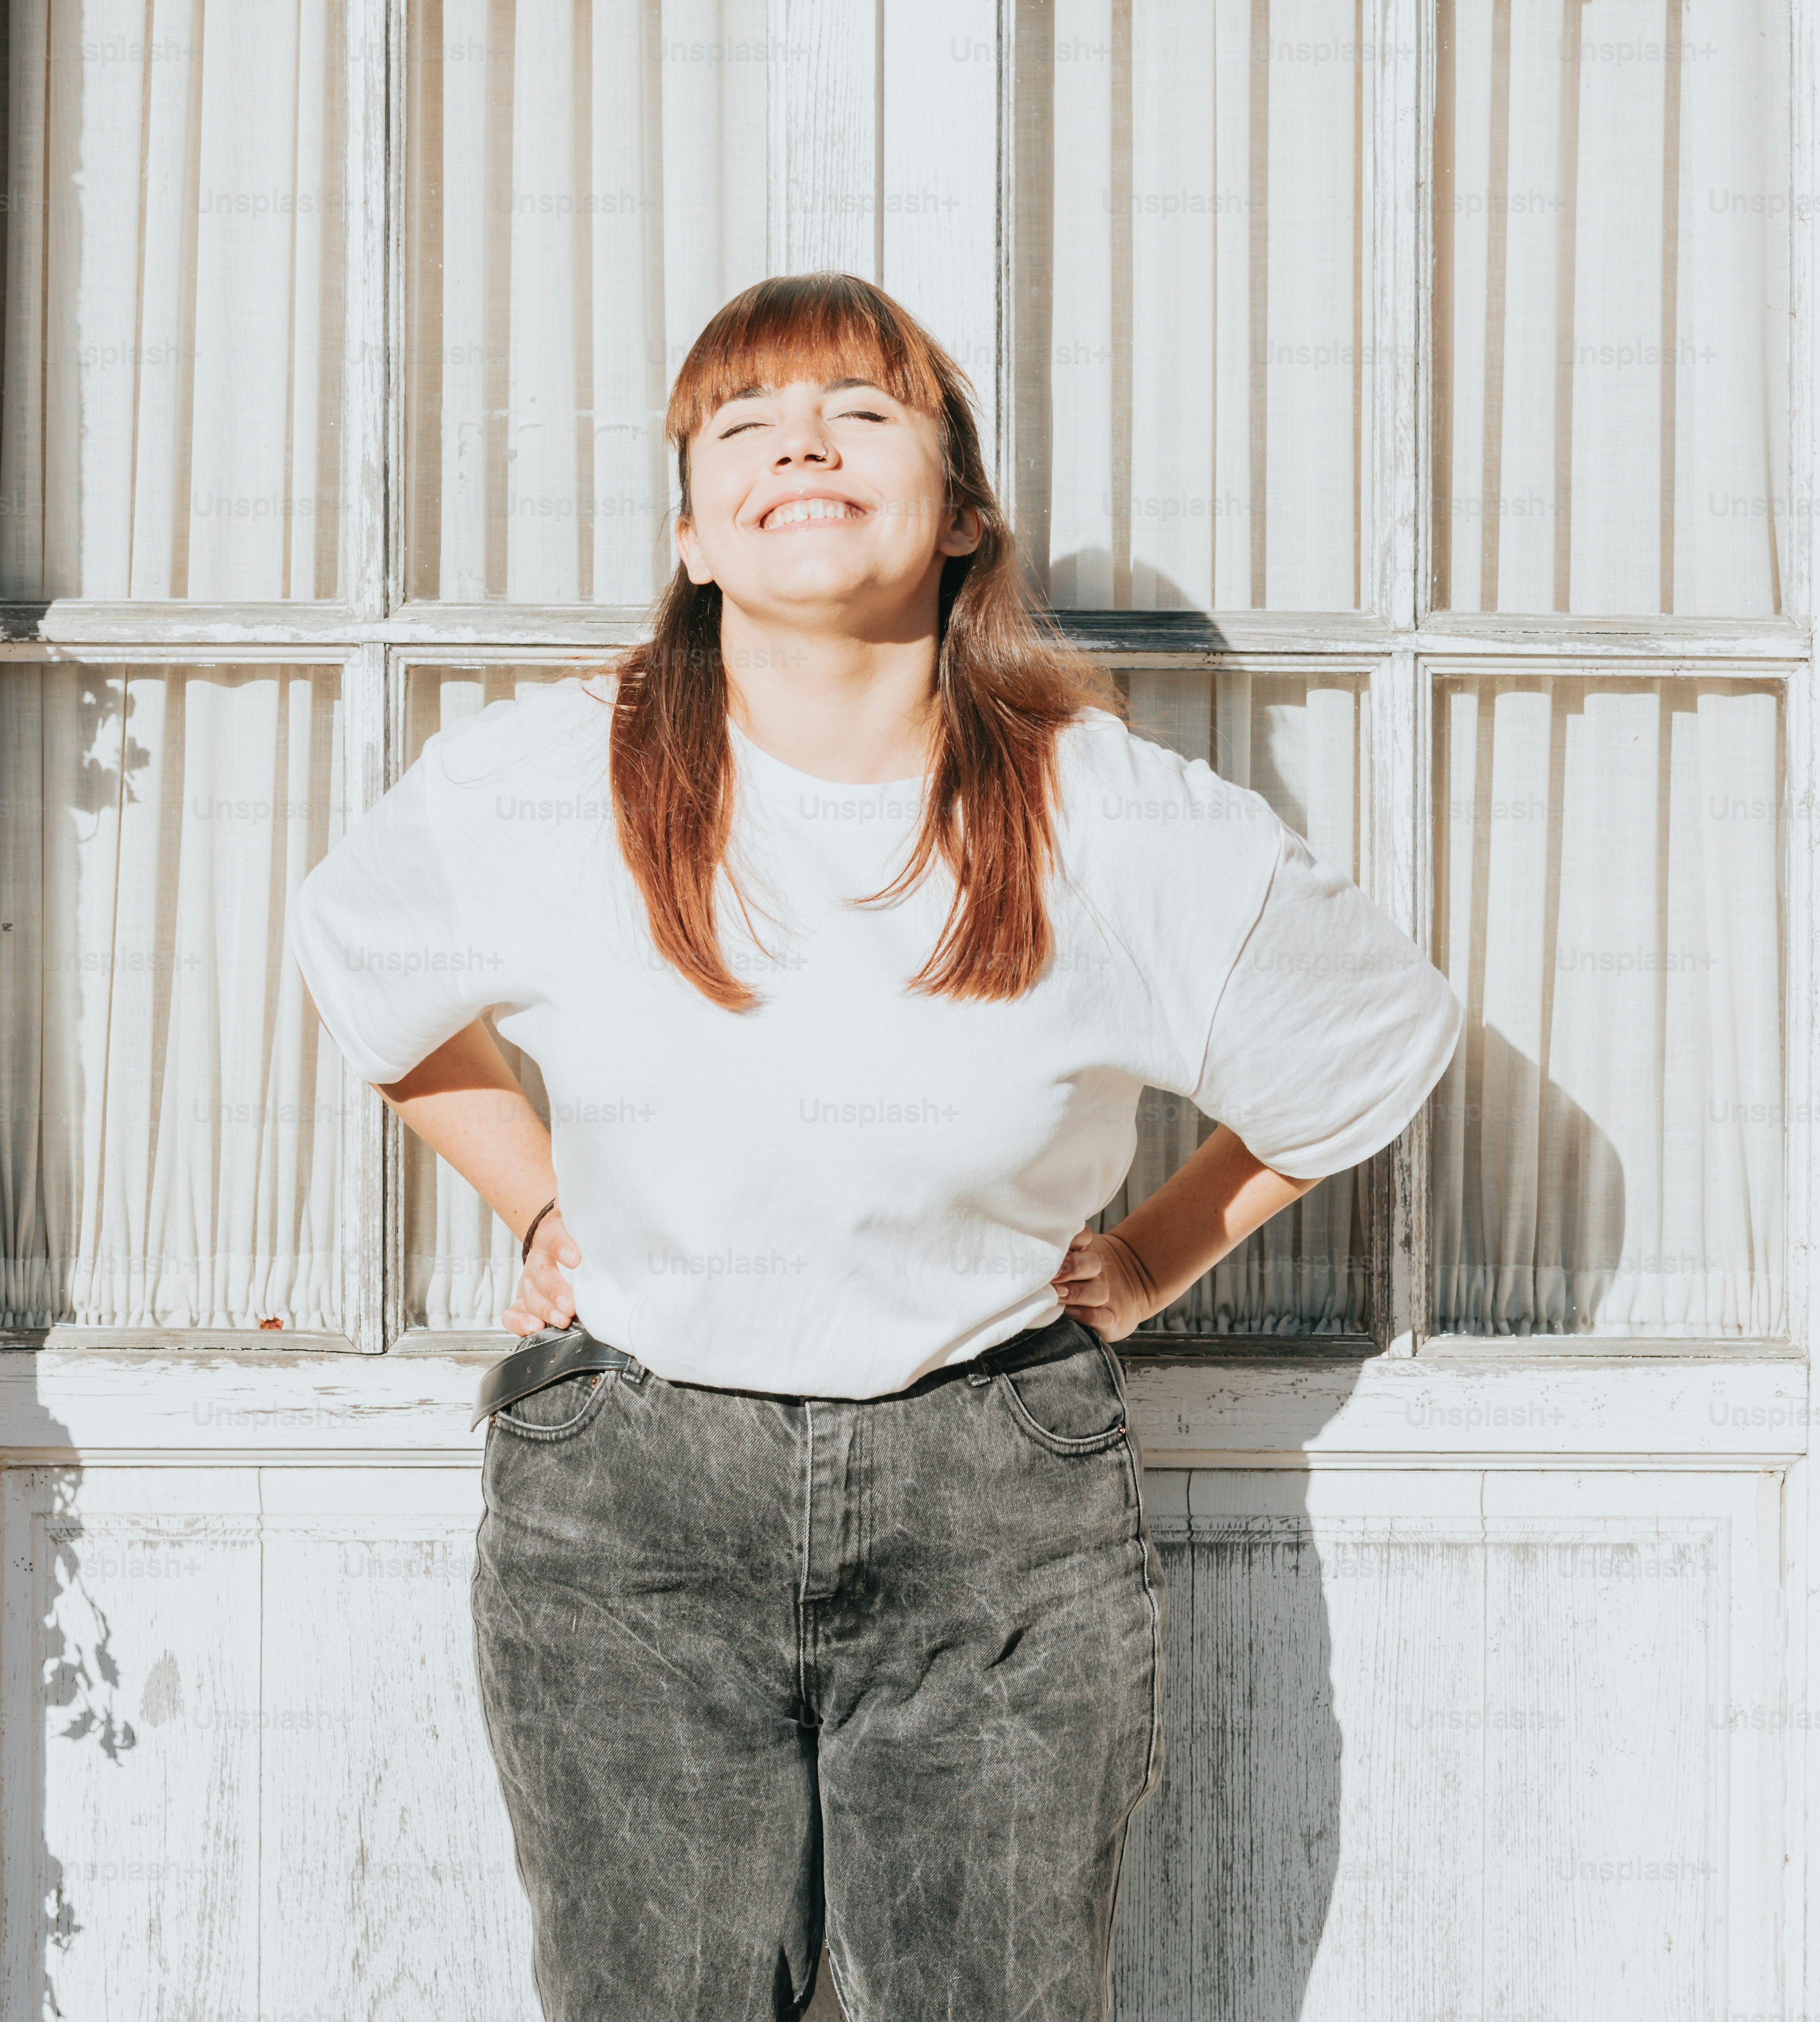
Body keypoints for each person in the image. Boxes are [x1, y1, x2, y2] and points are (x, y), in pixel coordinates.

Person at [289, 271, 1461, 2022]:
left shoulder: (1108, 817)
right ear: (692, 533)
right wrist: (533, 1195)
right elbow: (369, 983)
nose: (802, 447)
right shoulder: (545, 785)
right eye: (743, 427)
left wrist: (1148, 1259)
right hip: (629, 1497)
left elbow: (1368, 1040)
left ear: (962, 510)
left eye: (858, 411)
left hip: (990, 1486)